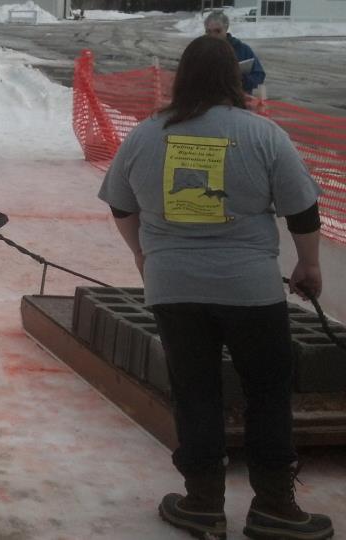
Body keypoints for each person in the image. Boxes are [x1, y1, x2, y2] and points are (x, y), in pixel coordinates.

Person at [98, 36, 333, 540]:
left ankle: (202, 503)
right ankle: (274, 506)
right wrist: (309, 265)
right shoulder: (264, 135)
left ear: (183, 77)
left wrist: (144, 255)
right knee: (268, 394)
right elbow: (303, 209)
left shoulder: (145, 136)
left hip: (173, 288)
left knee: (195, 392)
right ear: (235, 78)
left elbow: (120, 204)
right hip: (250, 289)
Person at [205, 11, 265, 94]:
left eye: (217, 31)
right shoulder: (201, 50)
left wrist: (242, 80)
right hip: (210, 102)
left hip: (238, 101)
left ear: (226, 29)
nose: (213, 35)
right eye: (209, 32)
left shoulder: (243, 49)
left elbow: (259, 76)